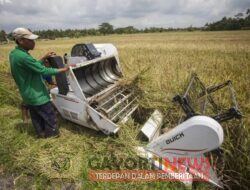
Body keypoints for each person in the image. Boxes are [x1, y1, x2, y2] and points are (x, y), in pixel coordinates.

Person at [9, 27, 69, 138]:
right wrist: (64, 69)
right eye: (30, 40)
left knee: (36, 115)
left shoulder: (15, 54)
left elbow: (32, 66)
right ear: (21, 41)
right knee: (49, 115)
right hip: (37, 94)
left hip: (28, 94)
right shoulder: (23, 57)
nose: (33, 42)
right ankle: (52, 136)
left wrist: (43, 58)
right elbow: (43, 70)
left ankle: (40, 133)